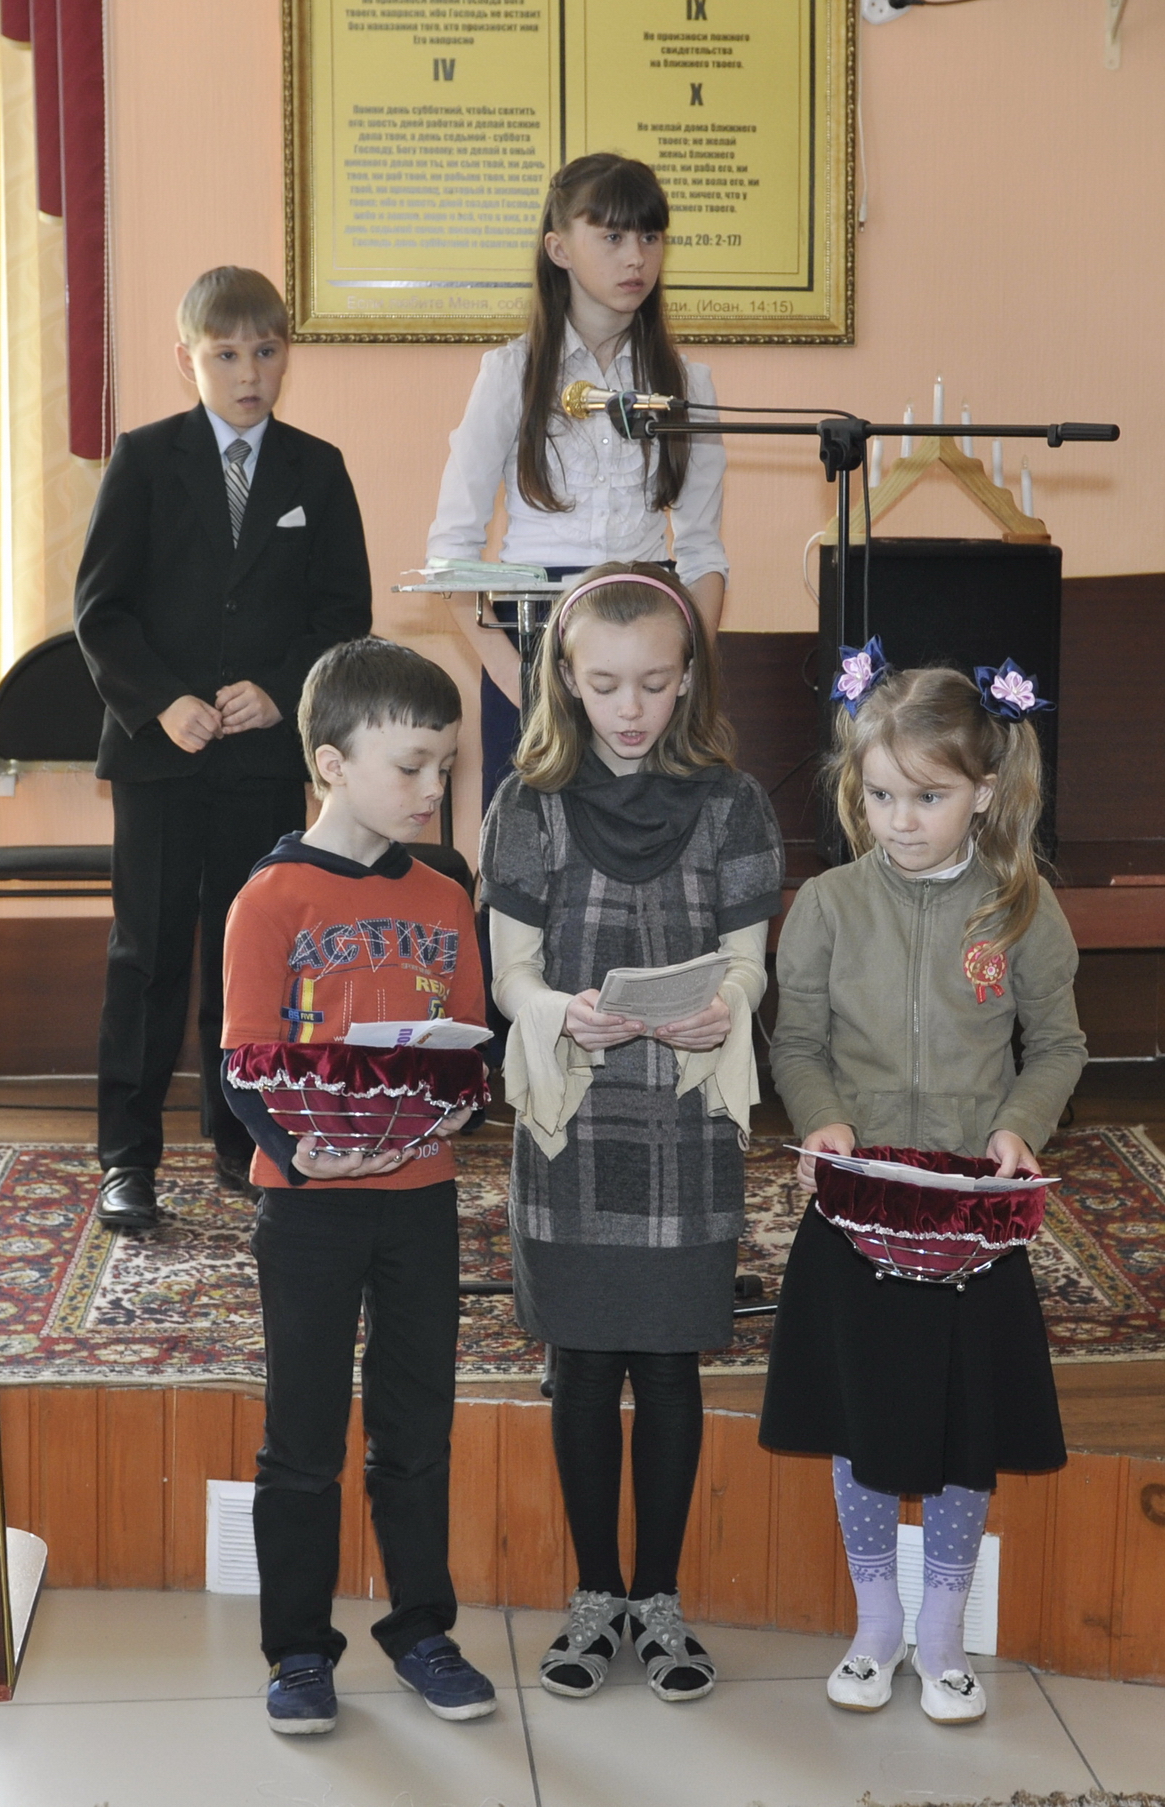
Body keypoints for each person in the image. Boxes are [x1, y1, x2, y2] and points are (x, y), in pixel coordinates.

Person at [759, 651, 1086, 1725]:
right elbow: (797, 1041)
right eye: (881, 795)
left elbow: (1059, 1045)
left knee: (961, 1427)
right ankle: (877, 1623)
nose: (900, 821)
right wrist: (821, 1116)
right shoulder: (826, 905)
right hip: (861, 1207)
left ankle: (942, 1630)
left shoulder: (1021, 908)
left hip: (968, 1219)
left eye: (929, 797)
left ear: (984, 792)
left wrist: (1016, 1126)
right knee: (862, 1418)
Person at [479, 564, 782, 1703]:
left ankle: (659, 1597)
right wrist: (563, 1010)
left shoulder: (733, 804)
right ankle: (595, 1592)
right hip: (573, 1115)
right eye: (605, 684)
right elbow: (509, 977)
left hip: (685, 1116)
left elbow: (751, 962)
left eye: (655, 682)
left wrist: (730, 1002)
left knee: (666, 1361)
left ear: (689, 676)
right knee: (582, 1361)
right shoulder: (528, 804)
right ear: (565, 678)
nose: (630, 707)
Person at [219, 637, 496, 1735]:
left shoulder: (444, 891)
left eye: (445, 765)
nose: (434, 786)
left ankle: (422, 1630)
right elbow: (241, 1064)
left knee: (417, 1424)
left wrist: (459, 1103)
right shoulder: (271, 895)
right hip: (309, 1206)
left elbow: (467, 1046)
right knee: (302, 1432)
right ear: (332, 763)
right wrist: (299, 1156)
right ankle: (297, 1650)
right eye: (413, 764)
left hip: (421, 1198)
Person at [75, 266, 371, 1231]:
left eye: (266, 351)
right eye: (227, 354)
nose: (249, 372)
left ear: (288, 355)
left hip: (259, 760)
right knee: (149, 954)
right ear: (188, 360)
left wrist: (279, 690)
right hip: (159, 757)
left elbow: (343, 615)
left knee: (250, 957)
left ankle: (244, 1137)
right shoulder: (143, 458)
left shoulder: (316, 469)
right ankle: (128, 1157)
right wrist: (163, 701)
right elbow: (101, 613)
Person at [428, 152, 728, 814]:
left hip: (649, 647)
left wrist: (685, 674)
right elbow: (451, 557)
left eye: (650, 236)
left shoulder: (687, 382)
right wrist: (524, 684)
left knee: (650, 845)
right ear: (559, 248)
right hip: (534, 642)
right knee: (534, 853)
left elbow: (703, 552)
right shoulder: (511, 374)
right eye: (612, 236)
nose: (636, 258)